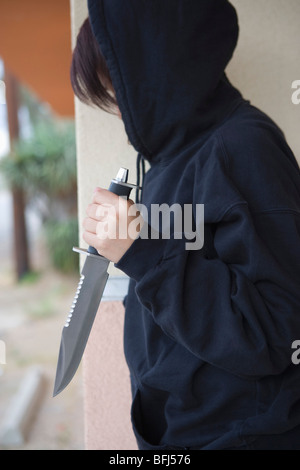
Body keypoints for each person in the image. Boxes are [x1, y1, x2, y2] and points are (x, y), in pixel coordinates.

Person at [71, 0, 300, 450]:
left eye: (118, 90)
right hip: (183, 429)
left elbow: (279, 332)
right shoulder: (172, 161)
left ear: (157, 66)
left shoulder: (244, 146)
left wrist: (140, 250)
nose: (120, 112)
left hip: (241, 435)